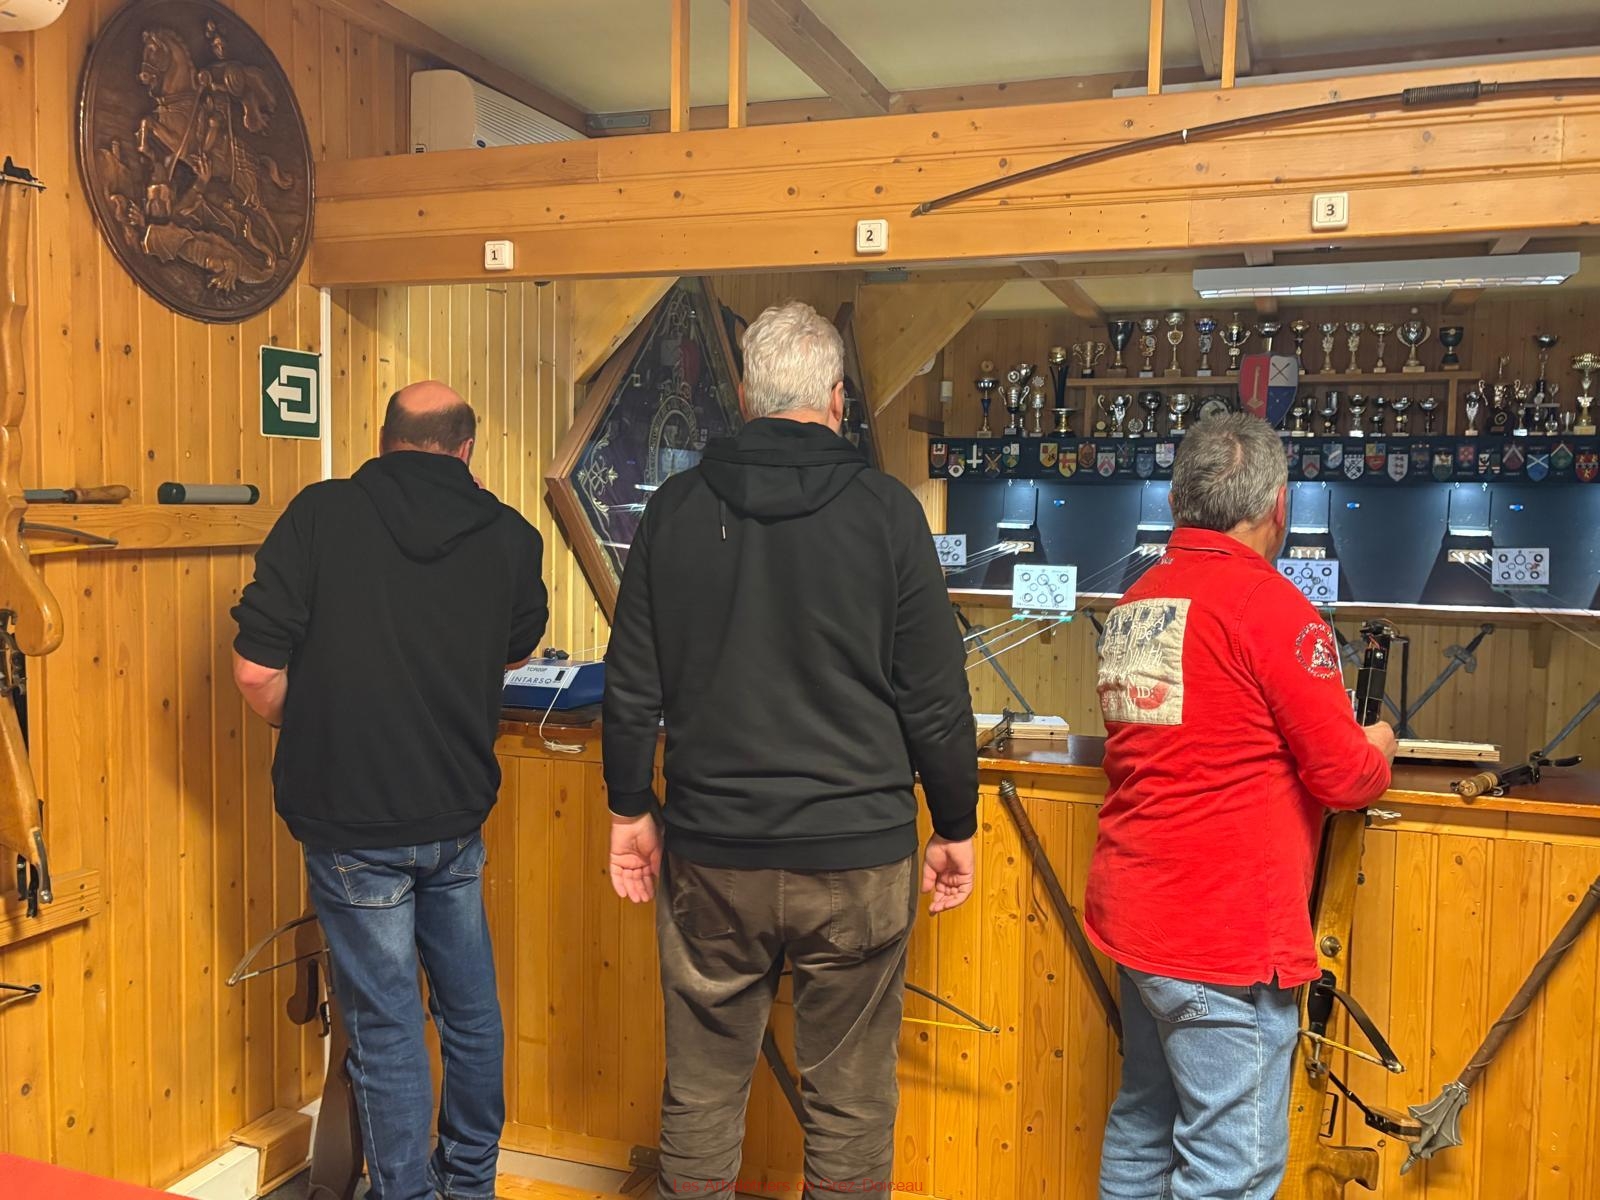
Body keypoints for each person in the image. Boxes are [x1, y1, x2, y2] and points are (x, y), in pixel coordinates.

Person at [601, 300, 978, 1197]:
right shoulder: (888, 514)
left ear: (744, 397)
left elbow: (632, 682)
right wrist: (955, 823)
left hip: (711, 850)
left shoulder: (674, 510)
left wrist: (628, 809)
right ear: (838, 398)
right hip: (857, 854)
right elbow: (935, 697)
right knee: (849, 1101)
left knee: (700, 1090)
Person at [232, 382, 548, 1200]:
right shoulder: (509, 534)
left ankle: (405, 1193)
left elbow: (256, 671)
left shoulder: (321, 514)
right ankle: (469, 1184)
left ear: (383, 441)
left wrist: (310, 716)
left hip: (350, 819)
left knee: (386, 1024)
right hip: (454, 812)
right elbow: (513, 651)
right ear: (466, 450)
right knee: (469, 1012)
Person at [1089, 412, 1397, 1200]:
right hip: (1222, 934)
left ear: (1177, 500)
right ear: (1278, 507)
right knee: (1232, 1167)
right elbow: (1344, 776)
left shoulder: (1135, 603)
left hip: (1138, 916)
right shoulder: (1274, 609)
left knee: (1143, 1126)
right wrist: (1381, 744)